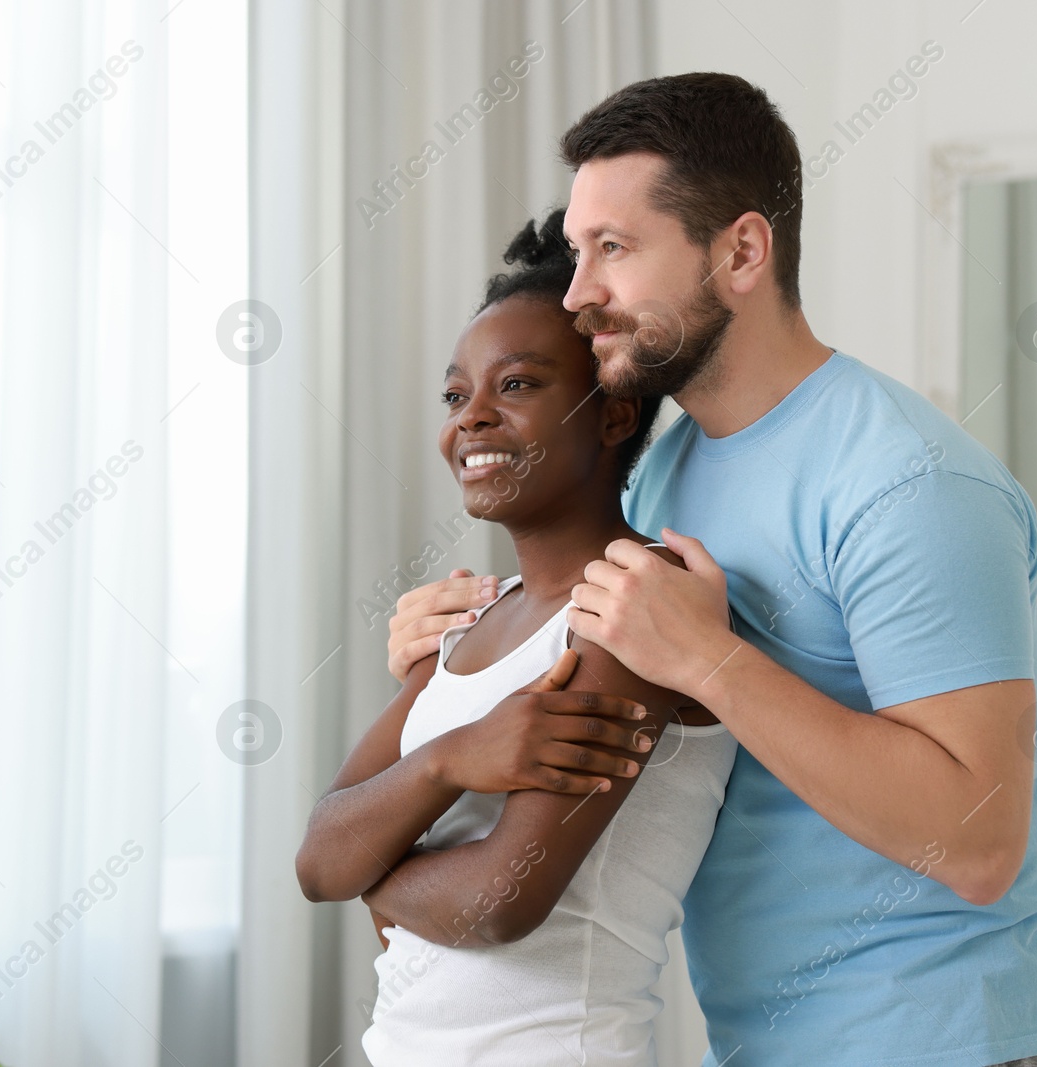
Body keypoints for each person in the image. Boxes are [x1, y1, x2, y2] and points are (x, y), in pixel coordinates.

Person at [387, 73, 1037, 1066]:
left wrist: (711, 663)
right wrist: (457, 646)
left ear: (743, 251)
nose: (581, 294)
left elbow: (976, 845)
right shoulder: (671, 463)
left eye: (615, 251)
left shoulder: (910, 481)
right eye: (581, 252)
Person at [296, 209, 740, 1066]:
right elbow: (318, 860)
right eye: (457, 394)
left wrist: (377, 869)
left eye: (519, 385)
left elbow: (501, 900)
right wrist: (450, 758)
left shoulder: (634, 610)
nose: (472, 420)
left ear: (613, 417)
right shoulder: (466, 619)